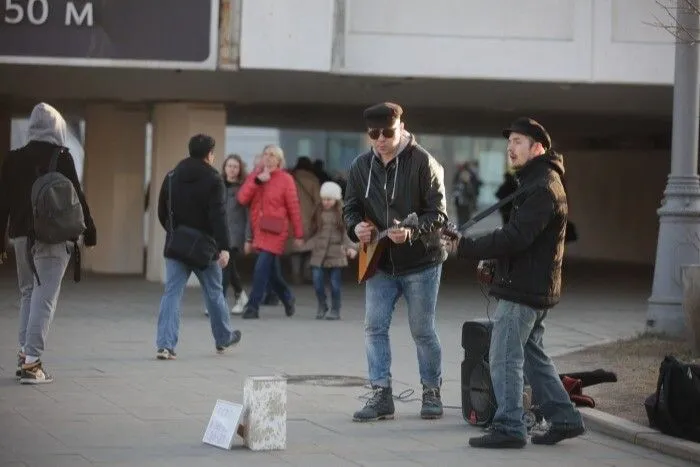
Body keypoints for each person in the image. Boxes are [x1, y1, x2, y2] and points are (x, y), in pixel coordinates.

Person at [444, 117, 585, 448]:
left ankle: (509, 425)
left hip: (524, 290)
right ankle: (565, 418)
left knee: (505, 355)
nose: (511, 147)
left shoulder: (543, 187)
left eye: (519, 141)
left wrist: (467, 246)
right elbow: (525, 239)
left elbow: (516, 236)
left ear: (538, 147)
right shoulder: (535, 182)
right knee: (532, 356)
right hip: (531, 285)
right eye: (510, 142)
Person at [343, 102, 449, 422]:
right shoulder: (361, 166)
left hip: (422, 262)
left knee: (422, 330)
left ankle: (431, 391)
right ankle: (381, 394)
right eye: (373, 134)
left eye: (387, 132)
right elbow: (350, 208)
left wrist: (413, 230)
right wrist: (355, 227)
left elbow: (439, 214)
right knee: (374, 327)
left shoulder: (424, 162)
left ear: (401, 127)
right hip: (380, 262)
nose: (380, 139)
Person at [0, 102, 97, 384]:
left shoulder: (13, 158)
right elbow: (77, 197)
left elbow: (2, 204)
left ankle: (24, 356)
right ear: (58, 128)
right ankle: (32, 363)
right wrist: (90, 231)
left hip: (19, 236)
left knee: (29, 294)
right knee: (45, 297)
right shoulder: (61, 156)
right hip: (51, 237)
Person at [155, 134, 242, 360]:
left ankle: (165, 345)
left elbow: (162, 211)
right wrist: (224, 247)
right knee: (213, 292)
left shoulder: (172, 175)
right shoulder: (213, 179)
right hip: (205, 248)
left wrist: (176, 233)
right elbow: (218, 216)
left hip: (176, 246)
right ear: (209, 154)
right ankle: (223, 339)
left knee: (172, 293)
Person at [237, 144, 304, 319]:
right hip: (259, 230)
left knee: (260, 268)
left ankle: (253, 307)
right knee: (272, 272)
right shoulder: (256, 175)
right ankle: (287, 297)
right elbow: (242, 198)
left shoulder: (286, 179)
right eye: (265, 154)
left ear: (279, 160)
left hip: (275, 230)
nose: (268, 157)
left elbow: (294, 208)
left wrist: (298, 234)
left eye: (272, 155)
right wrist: (258, 180)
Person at [305, 181, 357, 320]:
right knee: (317, 282)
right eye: (324, 199)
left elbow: (347, 232)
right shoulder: (317, 211)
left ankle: (335, 309)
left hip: (336, 253)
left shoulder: (342, 213)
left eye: (329, 199)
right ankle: (322, 305)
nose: (326, 202)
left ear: (336, 199)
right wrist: (304, 240)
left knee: (335, 285)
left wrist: (351, 247)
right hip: (319, 253)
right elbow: (311, 229)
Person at [204, 154, 249, 316]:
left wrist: (248, 238)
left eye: (235, 166)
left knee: (224, 269)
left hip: (236, 235)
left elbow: (248, 215)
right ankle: (241, 296)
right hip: (219, 233)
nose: (232, 169)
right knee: (228, 268)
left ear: (240, 170)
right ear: (224, 168)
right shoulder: (217, 185)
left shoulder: (244, 189)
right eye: (229, 166)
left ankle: (218, 303)